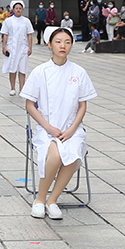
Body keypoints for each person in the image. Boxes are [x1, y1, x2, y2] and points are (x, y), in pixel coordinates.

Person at [22, 26, 97, 220]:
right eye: (58, 41)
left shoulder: (78, 72)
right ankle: (39, 199)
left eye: (67, 42)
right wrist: (48, 127)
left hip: (71, 129)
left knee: (73, 152)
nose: (63, 46)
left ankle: (52, 200)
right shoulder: (40, 72)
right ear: (49, 44)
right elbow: (30, 105)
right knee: (54, 154)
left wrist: (72, 129)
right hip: (46, 129)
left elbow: (82, 106)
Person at [1, 0, 34, 96]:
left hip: (23, 47)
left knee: (22, 69)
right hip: (11, 47)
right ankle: (12, 88)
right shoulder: (8, 21)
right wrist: (4, 47)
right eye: (16, 8)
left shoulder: (26, 21)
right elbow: (5, 35)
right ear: (13, 9)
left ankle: (22, 89)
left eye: (20, 8)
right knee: (12, 68)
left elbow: (29, 35)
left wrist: (30, 47)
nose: (18, 10)